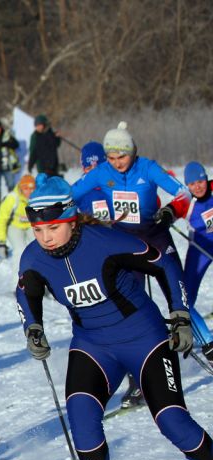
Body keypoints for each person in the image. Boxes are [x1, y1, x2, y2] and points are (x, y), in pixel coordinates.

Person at [15, 174, 213, 460]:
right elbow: (26, 293)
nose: (44, 237)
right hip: (93, 345)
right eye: (37, 229)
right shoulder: (34, 258)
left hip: (145, 339)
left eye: (53, 228)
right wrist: (33, 327)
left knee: (171, 420)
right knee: (81, 414)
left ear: (71, 217)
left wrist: (180, 313)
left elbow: (164, 262)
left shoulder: (105, 241)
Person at [70, 121, 190, 409]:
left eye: (121, 157)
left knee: (178, 293)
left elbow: (183, 193)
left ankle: (202, 340)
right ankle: (138, 382)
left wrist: (170, 212)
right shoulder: (101, 172)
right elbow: (69, 196)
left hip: (156, 237)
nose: (116, 163)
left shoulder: (147, 168)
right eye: (111, 158)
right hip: (125, 245)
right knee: (129, 309)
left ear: (132, 153)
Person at [180, 162, 213, 358]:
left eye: (200, 181)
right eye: (192, 184)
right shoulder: (186, 202)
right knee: (184, 300)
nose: (198, 187)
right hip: (199, 251)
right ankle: (207, 342)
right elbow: (168, 209)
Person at [0, 174, 36, 266]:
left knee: (37, 248)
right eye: (26, 189)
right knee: (20, 250)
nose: (29, 192)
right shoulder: (12, 198)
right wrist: (2, 242)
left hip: (31, 226)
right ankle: (18, 276)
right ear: (21, 188)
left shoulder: (37, 197)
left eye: (32, 188)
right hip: (15, 226)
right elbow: (1, 220)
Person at [74, 142, 110, 220]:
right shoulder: (79, 190)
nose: (94, 174)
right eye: (89, 168)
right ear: (84, 169)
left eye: (98, 167)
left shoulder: (117, 183)